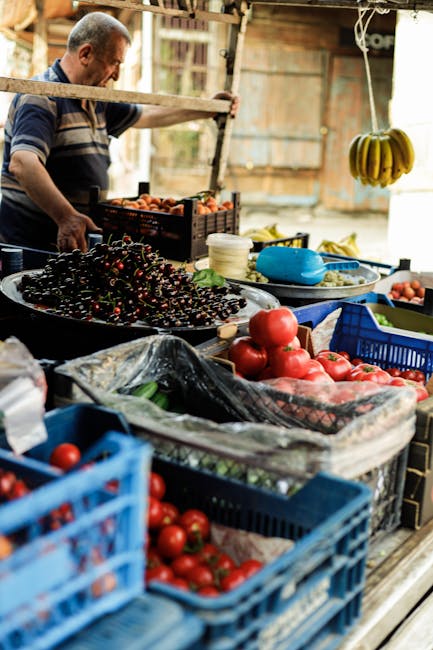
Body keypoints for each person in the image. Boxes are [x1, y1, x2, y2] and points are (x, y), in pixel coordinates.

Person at [0, 11, 239, 253]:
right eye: (114, 62)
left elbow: (146, 114)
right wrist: (67, 217)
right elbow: (22, 163)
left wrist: (205, 109)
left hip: (69, 247)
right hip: (28, 247)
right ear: (85, 54)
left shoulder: (96, 99)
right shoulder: (42, 98)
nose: (117, 74)